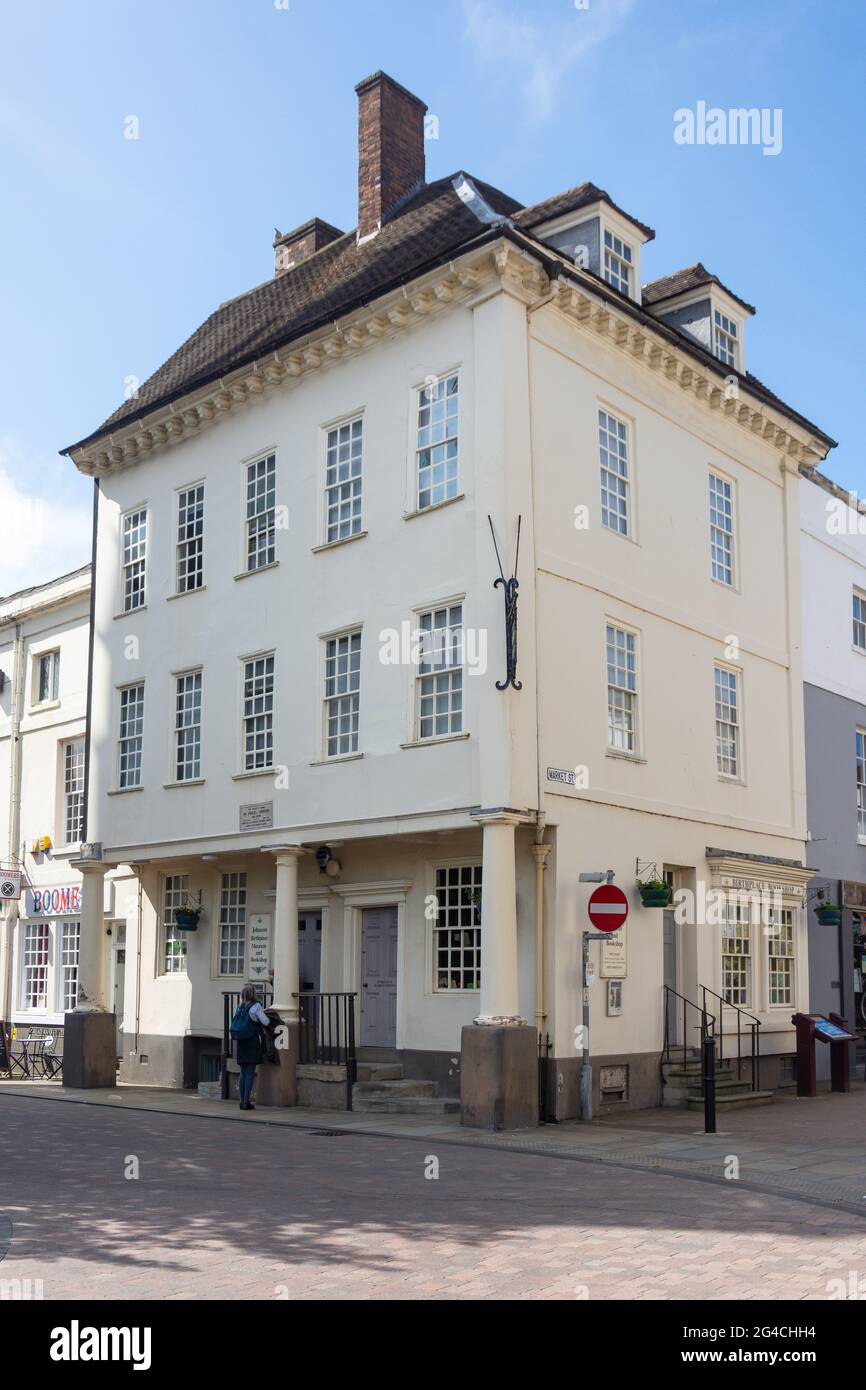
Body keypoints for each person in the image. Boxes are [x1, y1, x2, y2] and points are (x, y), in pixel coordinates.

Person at [230, 984, 270, 1110]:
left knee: (243, 1072)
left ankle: (241, 1101)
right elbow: (266, 1022)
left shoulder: (239, 1007)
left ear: (243, 994)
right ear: (253, 993)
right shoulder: (255, 1006)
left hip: (241, 1041)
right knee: (250, 1072)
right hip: (252, 1041)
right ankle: (246, 1102)